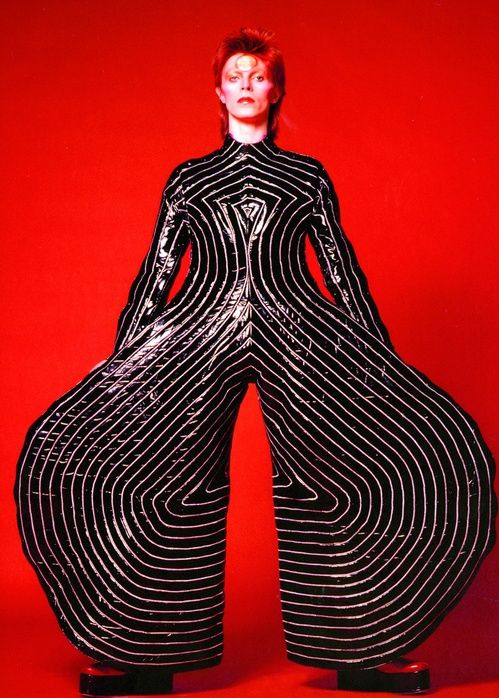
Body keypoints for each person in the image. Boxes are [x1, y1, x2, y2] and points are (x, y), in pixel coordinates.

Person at [15, 27, 496, 697]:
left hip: (297, 330)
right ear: (217, 92)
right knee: (167, 477)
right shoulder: (188, 179)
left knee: (334, 473)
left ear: (276, 90)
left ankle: (364, 647)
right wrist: (124, 356)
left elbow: (339, 269)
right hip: (198, 330)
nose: (246, 85)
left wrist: (378, 354)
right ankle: (144, 651)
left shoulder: (307, 176)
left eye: (258, 75)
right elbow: (158, 271)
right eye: (234, 76)